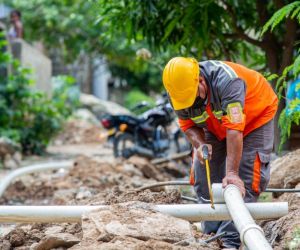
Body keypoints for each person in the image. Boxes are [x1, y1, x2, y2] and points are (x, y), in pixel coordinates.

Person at [162, 57, 278, 250]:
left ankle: (229, 241)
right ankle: (210, 236)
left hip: (254, 119)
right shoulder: (176, 91)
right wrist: (200, 145)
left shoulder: (228, 82)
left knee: (245, 175)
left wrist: (232, 173)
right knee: (203, 171)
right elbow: (188, 126)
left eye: (192, 97)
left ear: (200, 80)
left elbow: (234, 130)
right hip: (214, 124)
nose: (189, 103)